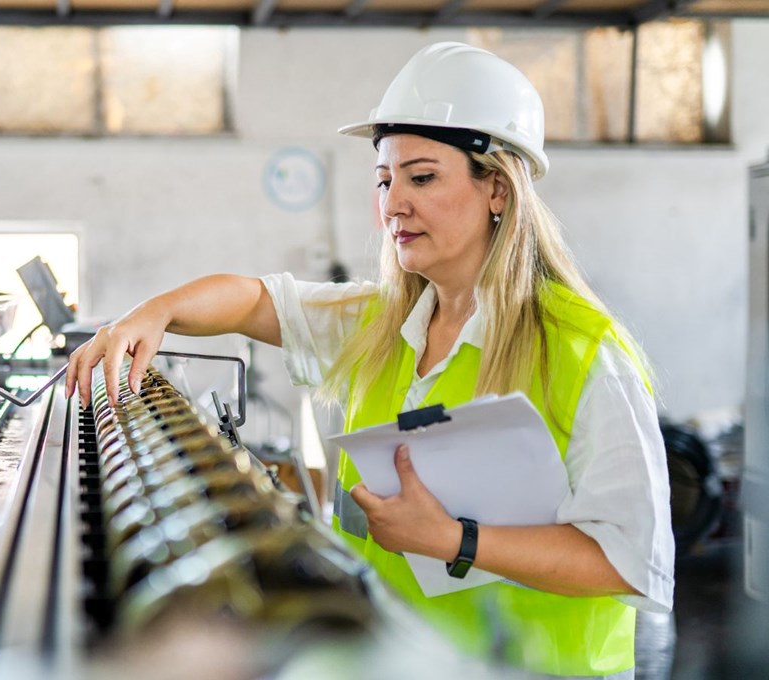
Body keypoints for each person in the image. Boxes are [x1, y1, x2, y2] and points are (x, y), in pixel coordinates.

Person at [65, 42, 673, 678]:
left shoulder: (582, 351)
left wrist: (453, 541)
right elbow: (252, 301)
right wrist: (149, 314)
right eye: (384, 180)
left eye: (422, 176)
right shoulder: (381, 324)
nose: (393, 204)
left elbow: (628, 561)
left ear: (497, 188)